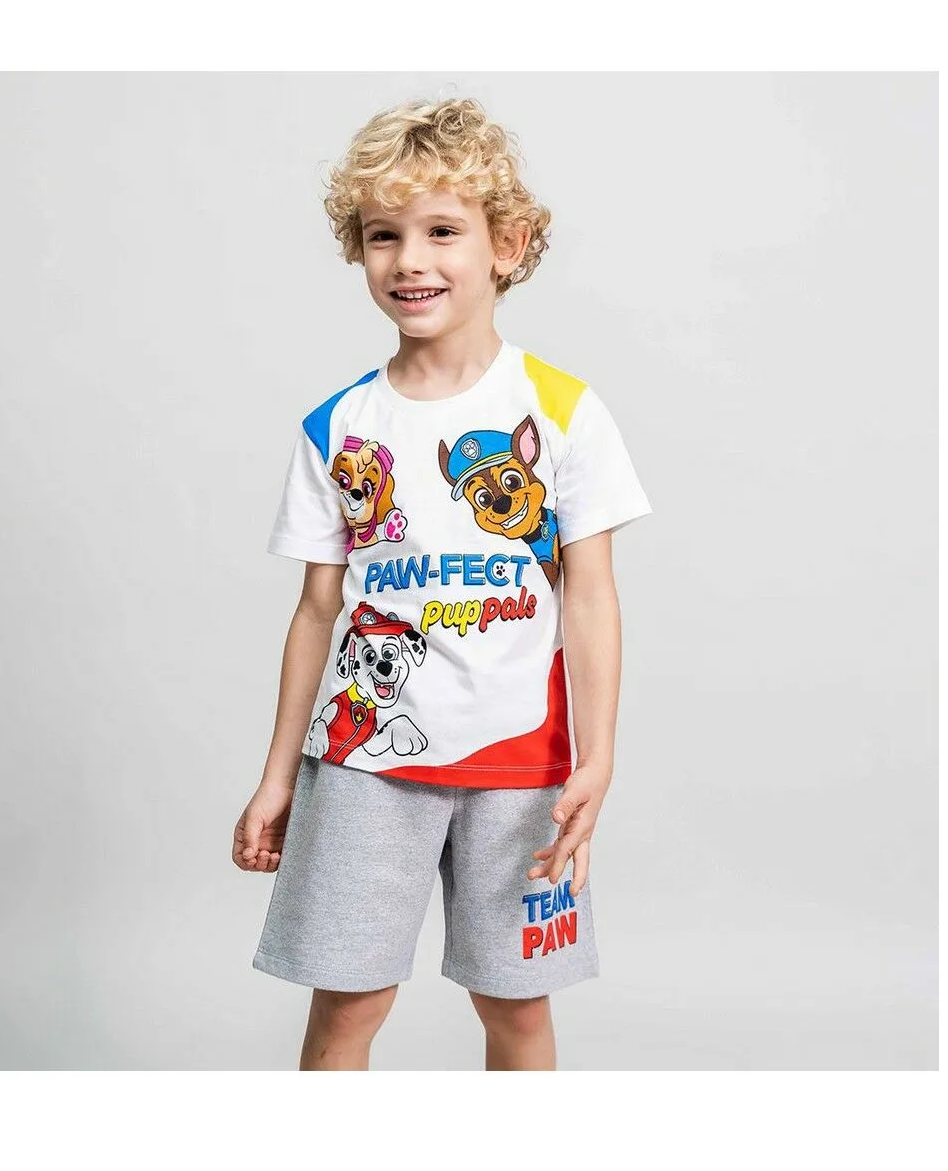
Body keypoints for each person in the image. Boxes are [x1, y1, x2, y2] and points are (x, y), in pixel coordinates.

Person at [232, 97, 653, 1071]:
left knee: (517, 1010)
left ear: (507, 245)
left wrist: (597, 758)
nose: (409, 260)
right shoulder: (338, 427)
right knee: (347, 1008)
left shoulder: (562, 411)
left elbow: (591, 597)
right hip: (364, 769)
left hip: (524, 773)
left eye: (441, 231)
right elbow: (316, 611)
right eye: (384, 235)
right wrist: (277, 774)